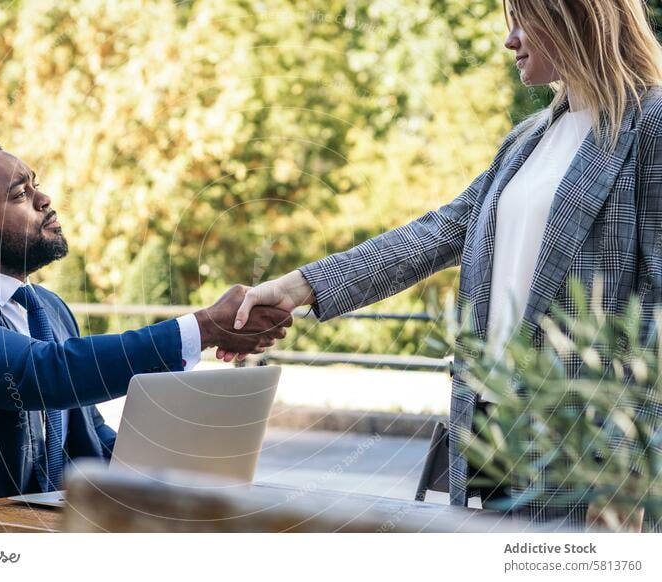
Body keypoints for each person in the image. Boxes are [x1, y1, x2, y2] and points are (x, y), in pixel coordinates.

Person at [229, 0, 662, 531]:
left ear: (573, 19)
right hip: (492, 453)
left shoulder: (651, 125)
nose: (511, 40)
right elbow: (438, 232)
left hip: (588, 470)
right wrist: (302, 286)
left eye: (524, 22)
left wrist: (627, 480)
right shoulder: (527, 140)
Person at [0, 138, 292, 532]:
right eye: (19, 195)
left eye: (35, 184)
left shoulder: (49, 309)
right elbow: (40, 375)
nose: (44, 200)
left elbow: (86, 434)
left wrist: (171, 473)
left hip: (42, 533)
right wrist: (201, 328)